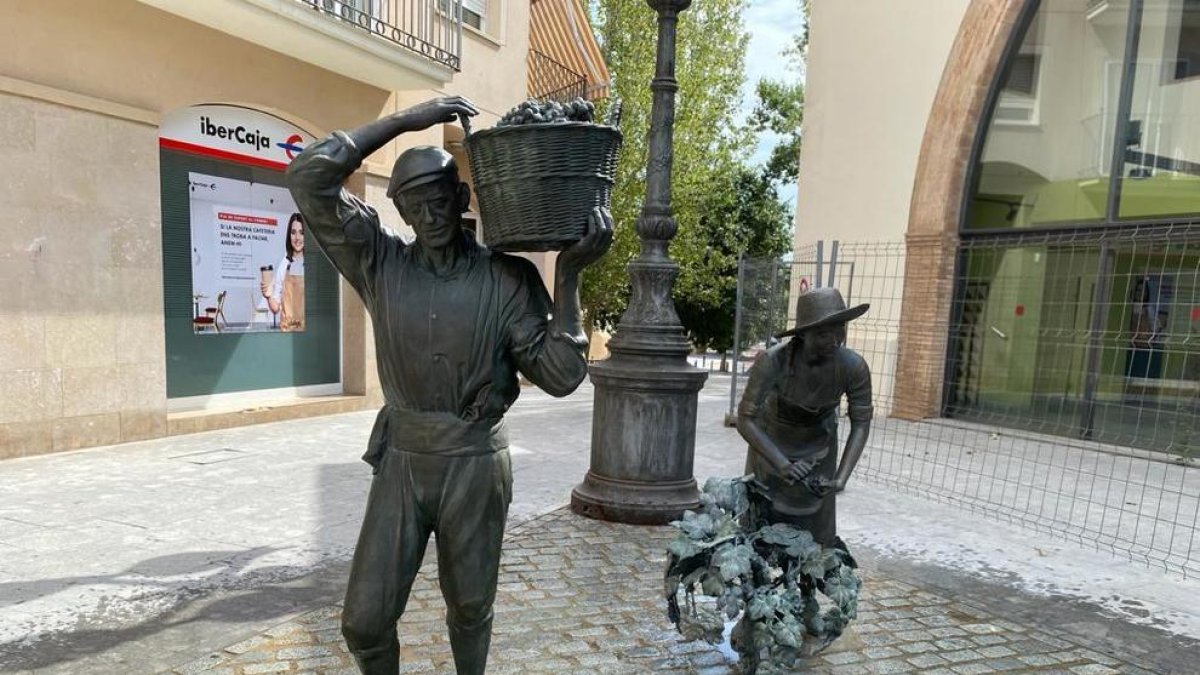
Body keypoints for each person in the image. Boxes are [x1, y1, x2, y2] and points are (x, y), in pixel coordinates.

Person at [285, 96, 611, 675]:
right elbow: (308, 177)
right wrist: (407, 120)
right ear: (403, 215)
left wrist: (569, 277)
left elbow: (561, 375)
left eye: (438, 202)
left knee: (469, 607)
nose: (429, 218)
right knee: (364, 619)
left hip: (474, 464)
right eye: (414, 208)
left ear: (461, 199)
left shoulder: (506, 278)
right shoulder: (379, 263)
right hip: (404, 463)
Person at [736, 287, 873, 547]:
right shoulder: (773, 362)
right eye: (823, 333)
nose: (834, 340)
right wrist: (782, 463)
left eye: (839, 329)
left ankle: (807, 584)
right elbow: (745, 419)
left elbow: (861, 423)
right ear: (802, 334)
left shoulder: (853, 367)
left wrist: (841, 478)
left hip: (819, 449)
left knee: (816, 538)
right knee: (760, 530)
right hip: (770, 446)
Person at [260, 212, 306, 332]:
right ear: (289, 235)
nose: (297, 237)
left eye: (302, 233)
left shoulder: (313, 264)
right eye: (293, 232)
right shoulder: (284, 264)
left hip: (308, 334)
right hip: (287, 332)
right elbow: (275, 308)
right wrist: (268, 295)